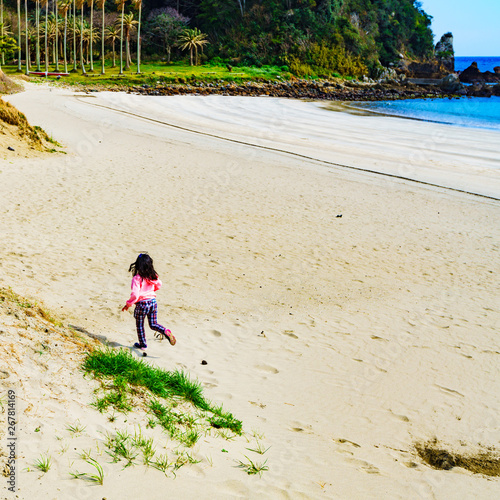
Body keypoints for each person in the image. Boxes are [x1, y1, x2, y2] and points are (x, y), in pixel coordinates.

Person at [122, 253, 176, 353]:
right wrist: (151, 291)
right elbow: (159, 285)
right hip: (153, 302)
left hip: (142, 304)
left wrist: (128, 304)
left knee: (140, 325)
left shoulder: (137, 278)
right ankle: (165, 331)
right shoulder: (153, 276)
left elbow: (135, 295)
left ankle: (143, 344)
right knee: (153, 324)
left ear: (138, 265)